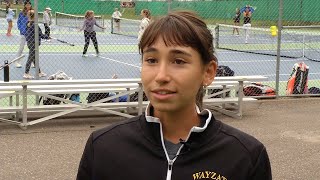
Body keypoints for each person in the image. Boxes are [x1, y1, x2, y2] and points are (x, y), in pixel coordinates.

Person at [76, 10, 272, 180]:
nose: (161, 76)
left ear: (208, 72)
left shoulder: (246, 156)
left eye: (178, 61)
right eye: (151, 60)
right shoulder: (102, 147)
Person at [23, 9, 50, 79]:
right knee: (30, 58)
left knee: (35, 59)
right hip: (33, 44)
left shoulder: (28, 23)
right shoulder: (34, 25)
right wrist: (48, 37)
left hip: (30, 43)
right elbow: (40, 34)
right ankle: (26, 73)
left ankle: (39, 72)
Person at [15, 1, 32, 68]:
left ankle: (33, 62)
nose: (28, 6)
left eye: (29, 4)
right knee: (21, 48)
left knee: (32, 48)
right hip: (23, 33)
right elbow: (19, 22)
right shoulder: (22, 13)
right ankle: (17, 62)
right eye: (27, 4)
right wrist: (21, 29)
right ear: (25, 5)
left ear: (30, 5)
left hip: (31, 34)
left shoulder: (32, 12)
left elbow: (35, 22)